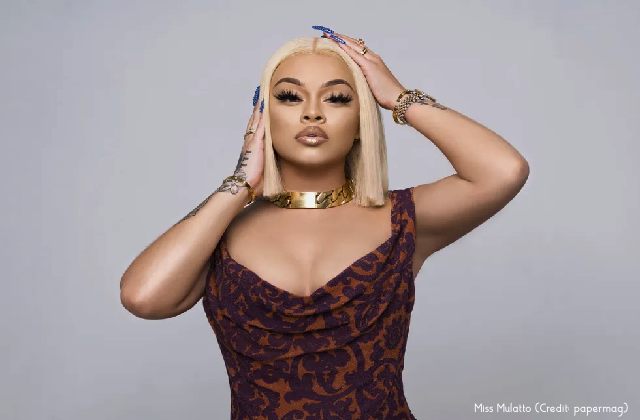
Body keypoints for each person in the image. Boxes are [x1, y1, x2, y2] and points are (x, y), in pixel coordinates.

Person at [120, 27, 529, 419]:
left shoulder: (402, 218)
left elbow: (503, 171)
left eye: (336, 98)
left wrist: (397, 97)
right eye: (289, 97)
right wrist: (240, 182)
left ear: (360, 122)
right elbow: (143, 297)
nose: (313, 113)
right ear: (263, 117)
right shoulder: (218, 233)